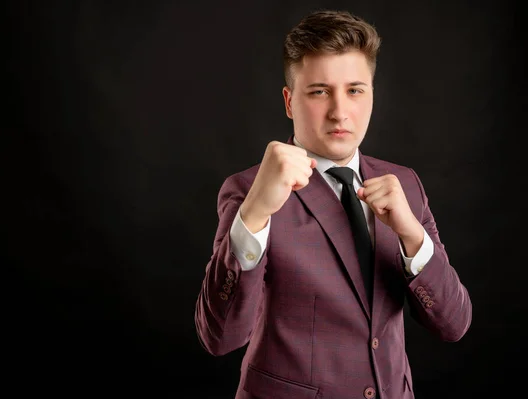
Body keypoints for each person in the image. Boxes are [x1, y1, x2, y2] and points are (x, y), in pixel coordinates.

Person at [194, 9, 472, 399]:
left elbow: (454, 323)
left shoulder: (404, 183)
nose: (340, 112)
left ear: (373, 94)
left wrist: (412, 234)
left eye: (355, 90)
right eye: (320, 91)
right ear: (290, 102)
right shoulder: (246, 190)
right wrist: (254, 214)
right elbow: (219, 338)